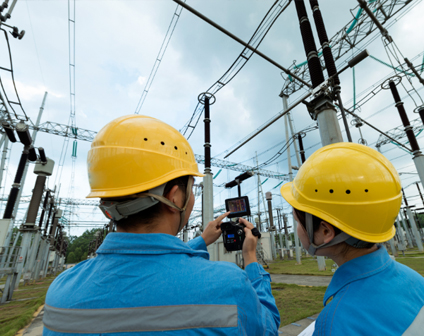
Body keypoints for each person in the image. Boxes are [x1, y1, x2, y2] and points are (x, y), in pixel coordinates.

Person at [43, 115, 280, 336]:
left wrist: (202, 241)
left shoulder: (60, 293)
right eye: (191, 186)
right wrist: (250, 259)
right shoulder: (227, 285)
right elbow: (267, 327)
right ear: (175, 197)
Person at [280, 142, 424, 335]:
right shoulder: (415, 280)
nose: (297, 229)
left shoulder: (335, 324)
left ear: (325, 232)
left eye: (298, 221)